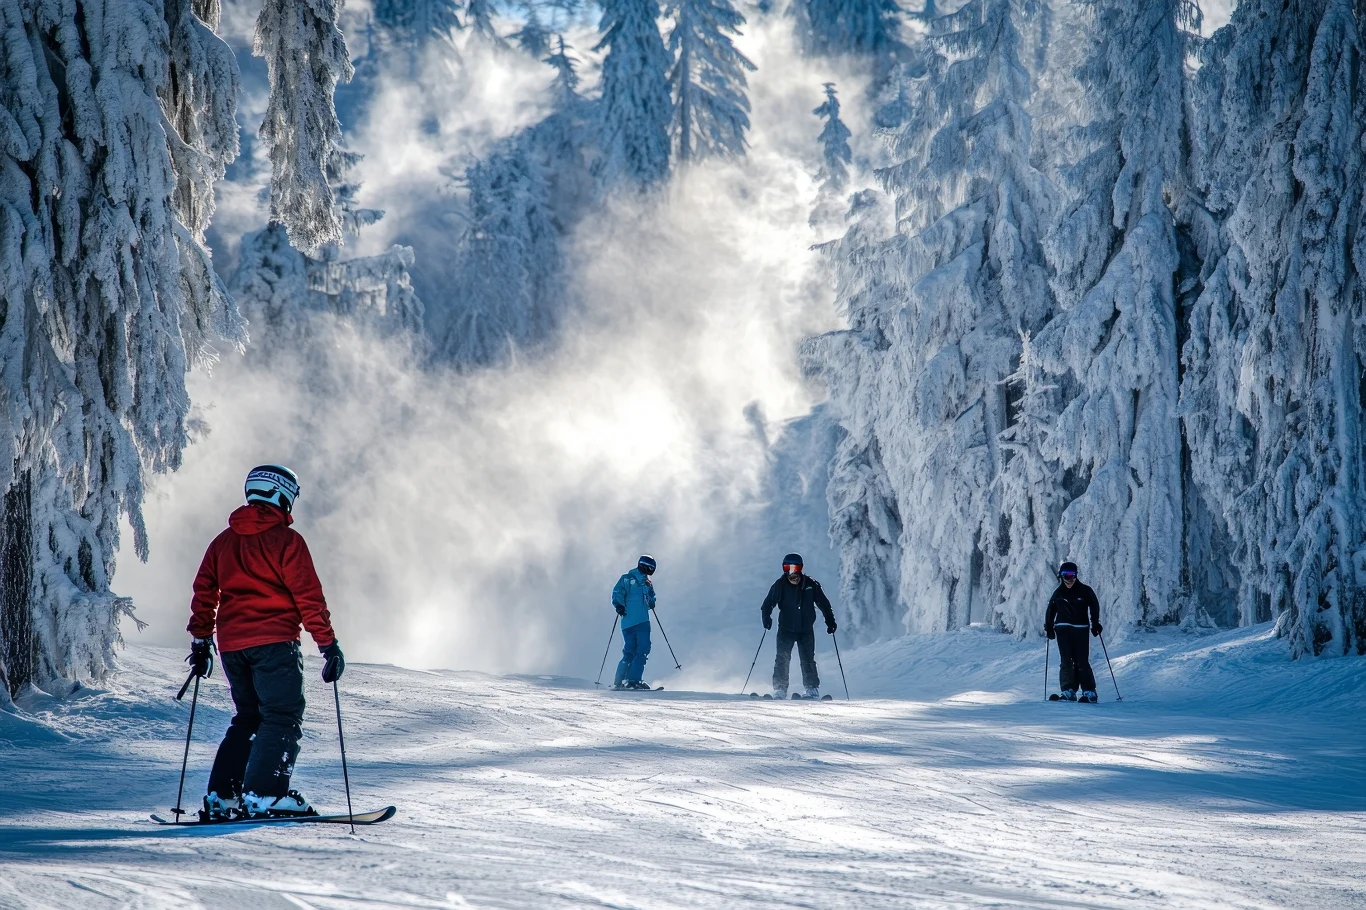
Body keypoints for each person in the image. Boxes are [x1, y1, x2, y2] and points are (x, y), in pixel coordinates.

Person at [185, 464, 345, 820]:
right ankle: (265, 796)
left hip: (232, 646)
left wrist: (201, 641)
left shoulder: (223, 541)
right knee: (281, 716)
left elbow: (204, 591)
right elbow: (308, 597)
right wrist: (328, 645)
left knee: (248, 717)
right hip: (274, 642)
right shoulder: (287, 541)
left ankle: (222, 797)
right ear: (283, 495)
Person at [760, 553, 836, 699]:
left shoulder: (811, 585)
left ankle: (811, 689)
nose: (792, 573)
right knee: (782, 658)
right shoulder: (779, 585)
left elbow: (824, 604)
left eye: (796, 568)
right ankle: (780, 689)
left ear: (801, 568)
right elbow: (767, 604)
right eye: (788, 568)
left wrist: (830, 621)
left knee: (807, 659)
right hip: (786, 629)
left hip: (806, 630)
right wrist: (766, 617)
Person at [1044, 560, 1102, 703]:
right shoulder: (1058, 593)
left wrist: (1095, 623)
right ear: (1061, 576)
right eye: (1065, 575)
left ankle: (1089, 691)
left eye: (1072, 575)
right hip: (1062, 629)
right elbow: (1051, 610)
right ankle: (1068, 690)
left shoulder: (1085, 591)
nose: (1069, 579)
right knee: (1066, 660)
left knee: (1081, 660)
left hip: (1080, 629)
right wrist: (1049, 627)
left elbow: (1094, 605)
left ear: (1076, 575)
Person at [611, 555, 657, 690]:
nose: (650, 572)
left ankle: (623, 680)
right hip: (634, 621)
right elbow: (617, 593)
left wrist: (652, 600)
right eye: (649, 569)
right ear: (642, 565)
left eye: (652, 570)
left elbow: (650, 599)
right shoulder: (627, 578)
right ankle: (631, 680)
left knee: (634, 650)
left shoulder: (647, 583)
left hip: (637, 620)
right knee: (639, 649)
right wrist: (619, 605)